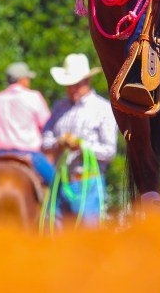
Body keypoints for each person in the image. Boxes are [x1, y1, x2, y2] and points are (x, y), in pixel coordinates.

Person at [42, 54, 118, 227]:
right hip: (61, 181)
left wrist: (82, 146)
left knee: (87, 238)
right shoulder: (59, 107)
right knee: (55, 235)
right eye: (69, 85)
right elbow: (45, 142)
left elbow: (109, 151)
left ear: (87, 81)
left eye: (76, 84)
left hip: (88, 182)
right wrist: (59, 142)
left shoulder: (102, 108)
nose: (72, 89)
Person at [0, 62, 55, 185]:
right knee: (59, 185)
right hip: (28, 154)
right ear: (23, 80)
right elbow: (46, 125)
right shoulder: (34, 97)